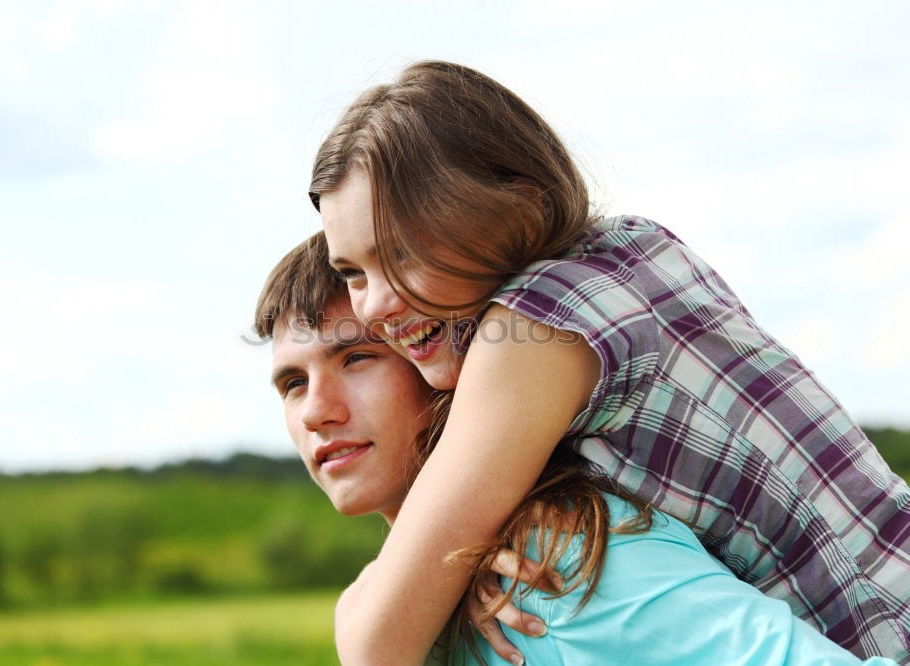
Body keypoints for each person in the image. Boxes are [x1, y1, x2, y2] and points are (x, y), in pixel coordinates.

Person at [308, 60, 910, 664]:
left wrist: (425, 577)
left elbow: (376, 646)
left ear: (517, 209)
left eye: (406, 251)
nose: (378, 304)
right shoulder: (634, 245)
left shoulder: (530, 328)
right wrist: (466, 549)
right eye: (353, 272)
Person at [254, 231, 898, 665]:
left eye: (359, 357)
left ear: (449, 369)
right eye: (292, 383)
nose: (316, 411)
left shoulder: (558, 558)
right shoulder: (421, 592)